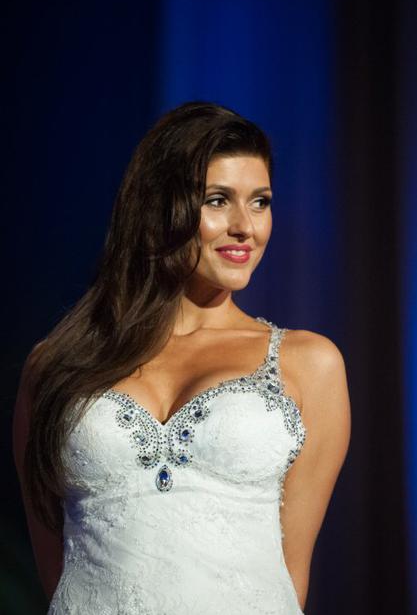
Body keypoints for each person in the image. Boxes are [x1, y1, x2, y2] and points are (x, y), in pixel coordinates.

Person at [13, 100, 351, 614]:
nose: (246, 227)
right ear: (158, 206)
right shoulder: (55, 366)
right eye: (217, 200)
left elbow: (291, 574)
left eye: (260, 202)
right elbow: (55, 568)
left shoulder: (309, 363)